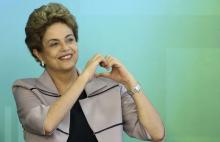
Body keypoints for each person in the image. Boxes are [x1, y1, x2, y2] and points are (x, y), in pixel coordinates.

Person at [12, 2, 165, 142]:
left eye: (69, 39)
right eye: (54, 44)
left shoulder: (108, 88)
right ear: (39, 53)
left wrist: (130, 83)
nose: (65, 48)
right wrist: (84, 77)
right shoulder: (26, 89)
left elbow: (155, 134)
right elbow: (47, 124)